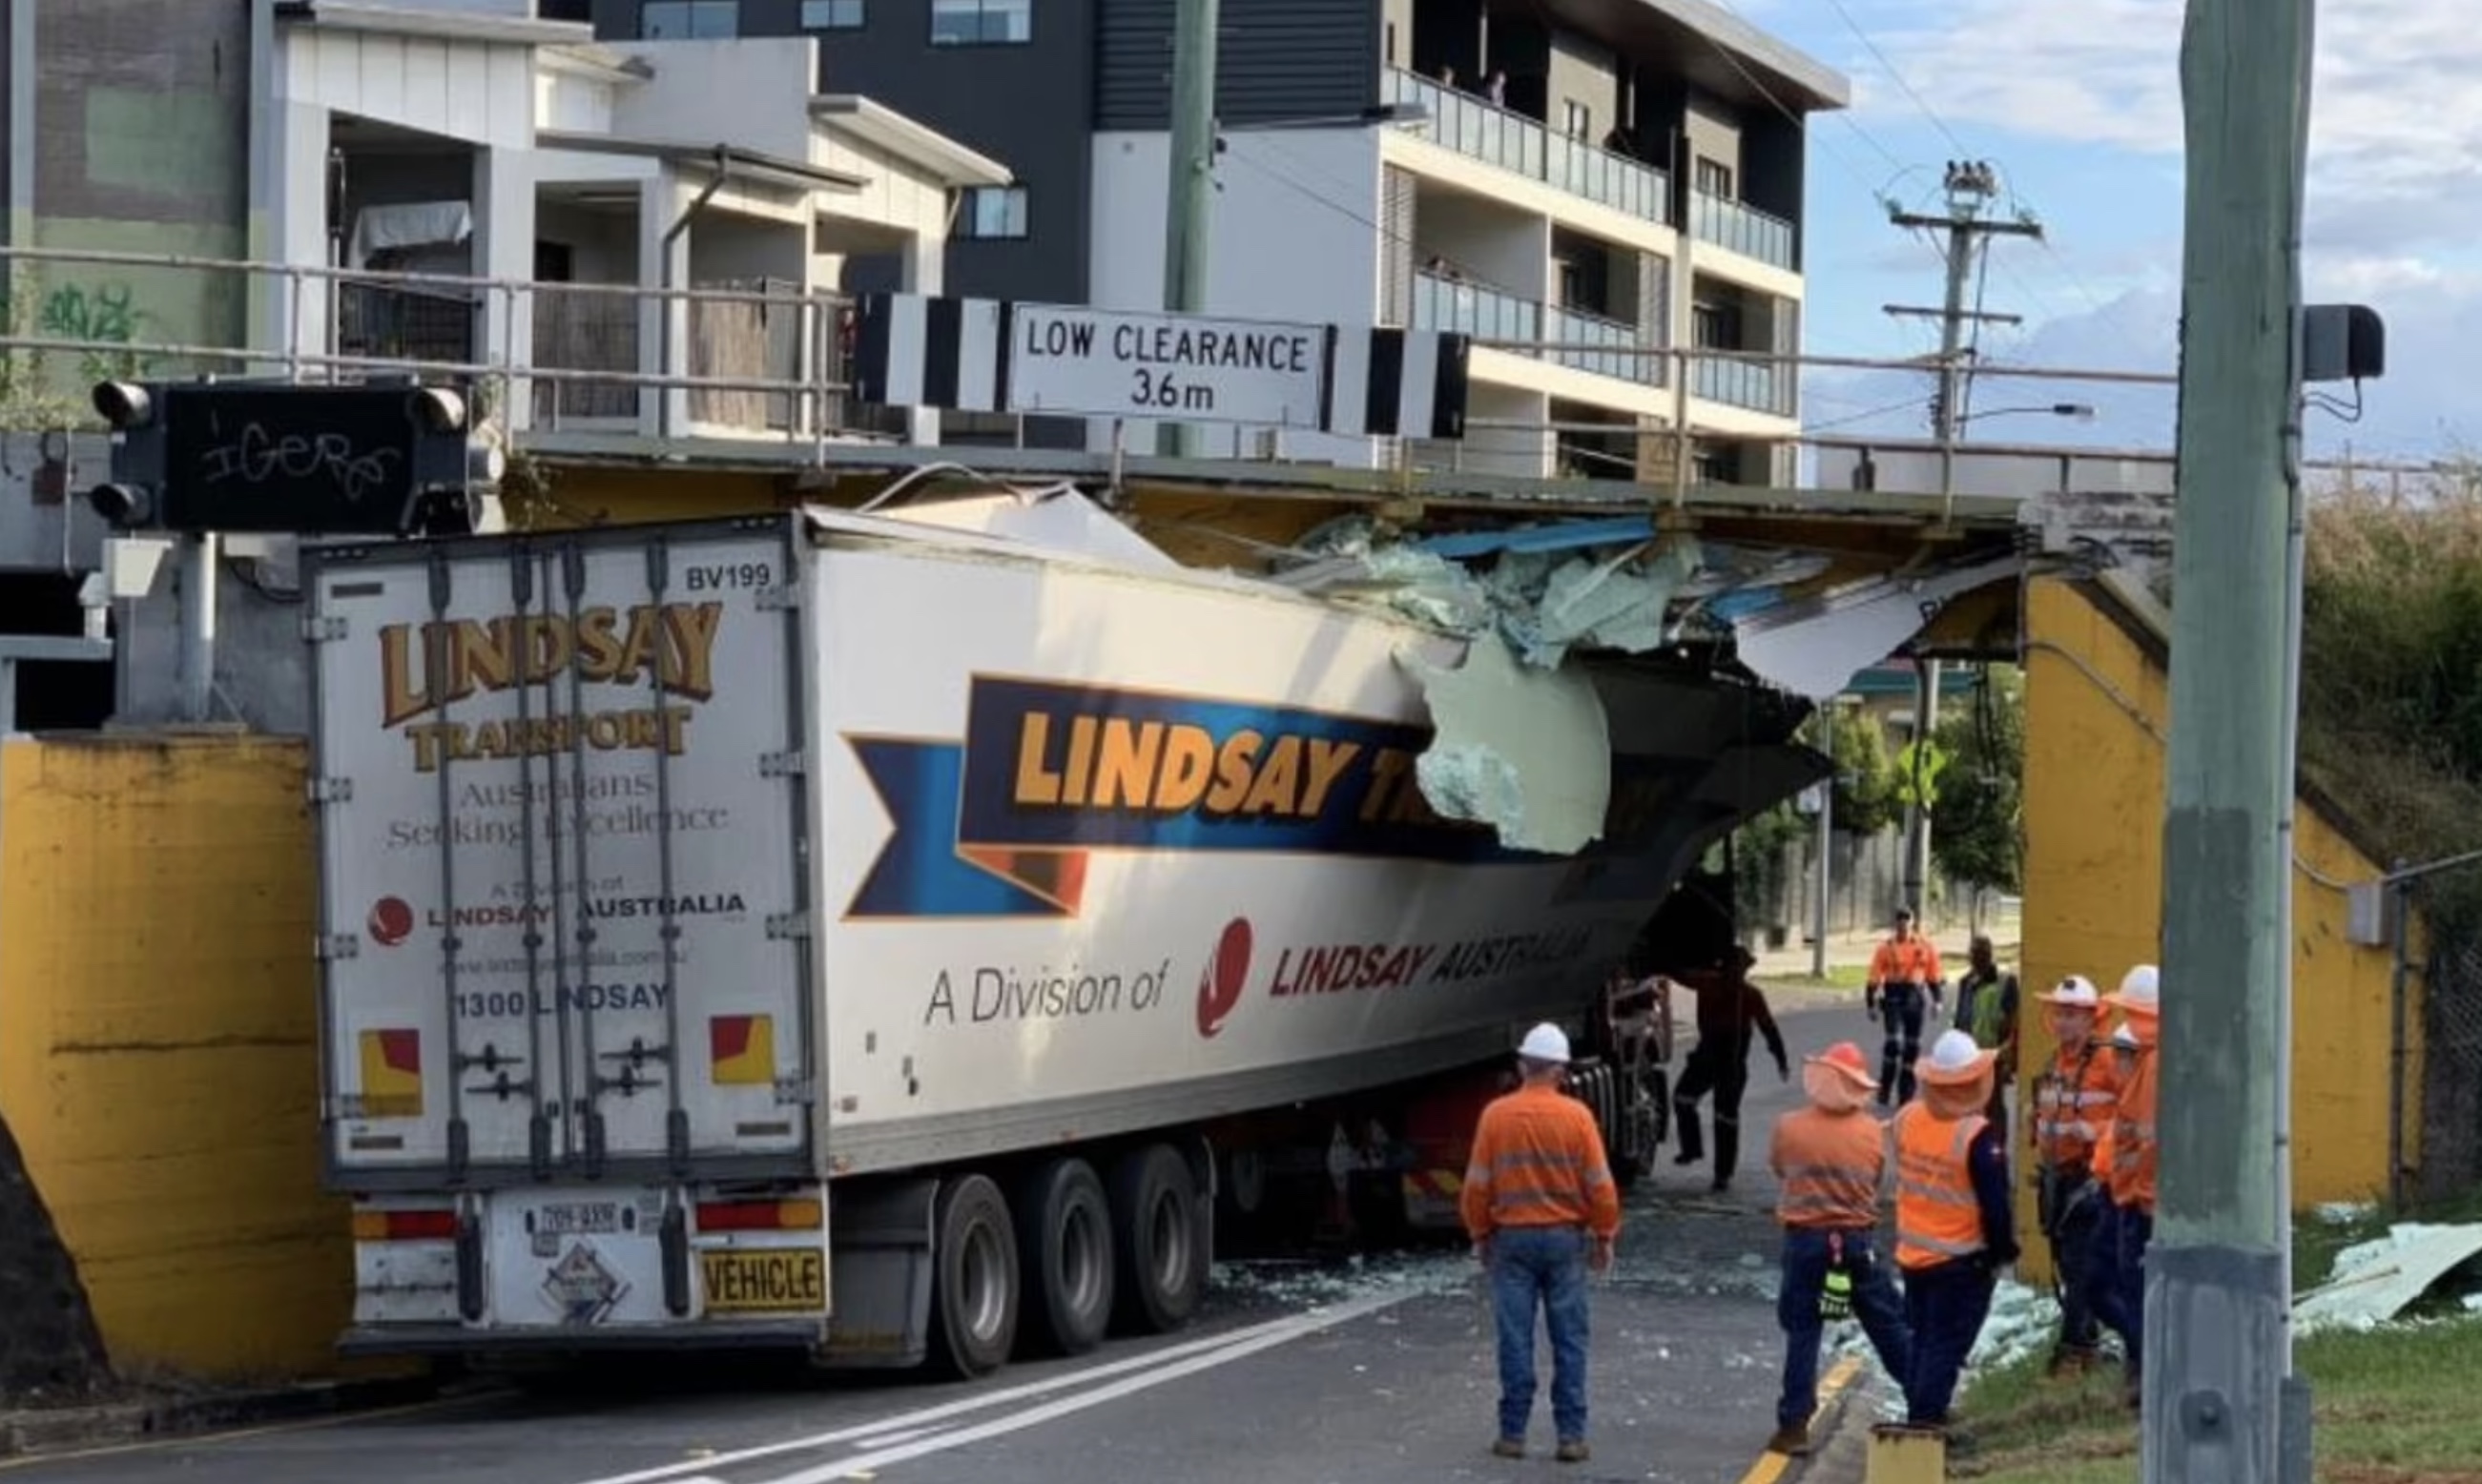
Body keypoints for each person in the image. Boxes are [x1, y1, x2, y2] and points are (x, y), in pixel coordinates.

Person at [1461, 1021, 1623, 1464]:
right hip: (1564, 1242)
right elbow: (1601, 1188)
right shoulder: (1578, 1118)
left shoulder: (1496, 1116)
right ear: (1561, 1071)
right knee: (1569, 1339)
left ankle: (1513, 1433)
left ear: (1522, 1066)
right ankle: (1570, 1436)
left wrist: (1479, 1234)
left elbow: (1477, 1187)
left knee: (1515, 1338)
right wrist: (1604, 1235)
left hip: (1511, 1241)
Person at [1766, 1041, 1913, 1457]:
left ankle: (1794, 1425)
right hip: (1855, 1241)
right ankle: (1926, 1403)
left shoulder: (1788, 1126)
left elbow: (1780, 1168)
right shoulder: (1870, 1131)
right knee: (1886, 1323)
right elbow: (1876, 1179)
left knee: (1803, 1329)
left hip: (1806, 1241)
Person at [1892, 1030, 2018, 1433]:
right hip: (1961, 1260)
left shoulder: (1908, 1118)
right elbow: (1995, 1207)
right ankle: (1924, 1427)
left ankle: (1919, 1414)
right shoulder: (1976, 1135)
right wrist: (2002, 1251)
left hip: (1913, 1255)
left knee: (1922, 1341)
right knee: (1945, 1346)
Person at [2027, 975, 2120, 1375]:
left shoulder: (2108, 1062)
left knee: (2081, 1265)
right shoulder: (2055, 1063)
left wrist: (2096, 1135)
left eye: (2071, 1015)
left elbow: (2131, 1117)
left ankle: (2073, 1349)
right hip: (2056, 1179)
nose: (2063, 1022)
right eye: (2059, 1014)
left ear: (2090, 1019)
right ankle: (2086, 1342)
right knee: (2069, 1264)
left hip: (2090, 1180)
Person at [1668, 946, 1790, 1191]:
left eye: (1740, 969)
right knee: (1683, 1099)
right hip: (1706, 1058)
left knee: (1725, 1117)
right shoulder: (1707, 985)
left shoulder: (1750, 995)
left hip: (1732, 1063)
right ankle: (1692, 1149)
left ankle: (1722, 1174)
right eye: (1733, 969)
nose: (1737, 974)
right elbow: (1679, 974)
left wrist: (1781, 1059)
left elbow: (1769, 1029)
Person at [2100, 966, 2161, 1410]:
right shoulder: (2153, 1066)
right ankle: (2143, 1369)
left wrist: (2136, 1199)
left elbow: (2146, 1145)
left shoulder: (2154, 1068)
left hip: (2142, 1206)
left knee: (2139, 1295)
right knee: (2130, 1292)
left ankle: (2147, 1374)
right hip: (2136, 1200)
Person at [1866, 907, 1944, 1106]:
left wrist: (1937, 1000)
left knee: (1912, 1048)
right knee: (1894, 1043)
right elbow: (1874, 978)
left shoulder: (1925, 946)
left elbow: (1933, 977)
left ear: (1912, 922)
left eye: (1906, 920)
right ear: (1895, 923)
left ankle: (1905, 1095)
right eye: (1900, 920)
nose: (1903, 925)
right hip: (1893, 999)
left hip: (1915, 1000)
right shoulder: (1886, 948)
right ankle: (1885, 1087)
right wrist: (1871, 1004)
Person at [1953, 936, 2020, 1141]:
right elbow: (1961, 1018)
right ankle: (1971, 1146)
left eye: (1981, 953)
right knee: (1968, 1106)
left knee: (1993, 1106)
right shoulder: (1966, 982)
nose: (1977, 958)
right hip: (1968, 1056)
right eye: (1974, 953)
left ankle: (1996, 1147)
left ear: (1990, 955)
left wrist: (2010, 1059)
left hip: (1993, 1057)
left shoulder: (2005, 982)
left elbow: (2013, 1022)